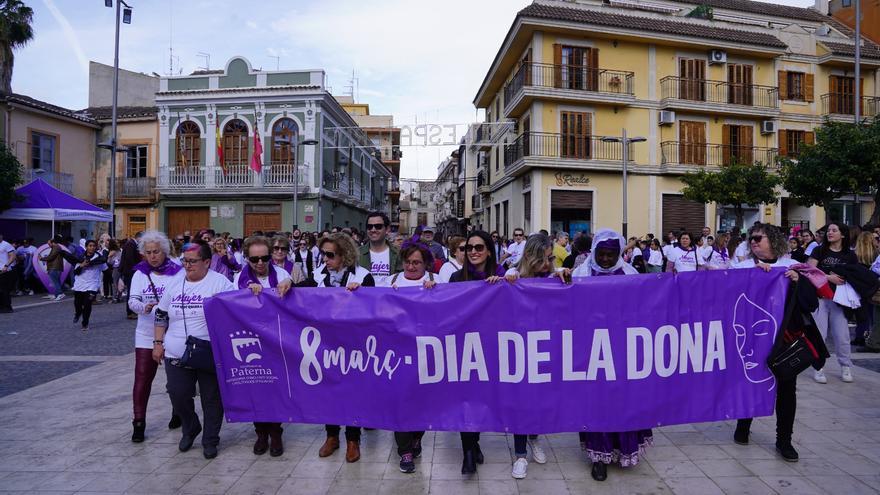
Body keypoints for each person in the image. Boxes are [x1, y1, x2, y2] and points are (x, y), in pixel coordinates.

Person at [732, 223, 816, 462]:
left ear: (774, 240)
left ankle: (784, 440)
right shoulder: (742, 268)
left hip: (784, 340)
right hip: (751, 340)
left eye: (759, 238)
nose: (754, 242)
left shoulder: (792, 267)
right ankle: (743, 425)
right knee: (748, 380)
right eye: (752, 239)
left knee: (787, 389)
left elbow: (811, 304)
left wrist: (797, 282)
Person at [571, 229, 650, 481]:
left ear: (619, 254)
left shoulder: (630, 275)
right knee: (597, 404)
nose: (605, 259)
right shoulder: (581, 274)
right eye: (602, 254)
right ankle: (598, 457)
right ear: (594, 252)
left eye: (611, 255)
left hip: (623, 351)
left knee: (623, 403)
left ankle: (622, 449)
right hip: (592, 352)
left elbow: (646, 307)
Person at [153, 243, 233, 459]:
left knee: (211, 398)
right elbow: (161, 314)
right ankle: (190, 427)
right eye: (184, 261)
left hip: (209, 351)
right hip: (176, 351)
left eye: (192, 261)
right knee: (177, 393)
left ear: (207, 262)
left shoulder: (220, 283)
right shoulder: (174, 283)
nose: (187, 265)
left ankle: (210, 440)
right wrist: (158, 343)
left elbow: (236, 310)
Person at [501, 234, 561, 479]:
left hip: (545, 346)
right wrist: (507, 282)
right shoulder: (513, 276)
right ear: (530, 256)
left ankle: (534, 439)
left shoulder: (551, 277)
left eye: (551, 259)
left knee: (539, 398)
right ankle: (520, 454)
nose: (549, 263)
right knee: (520, 400)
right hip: (518, 348)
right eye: (546, 258)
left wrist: (561, 278)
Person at [449, 230, 507, 475]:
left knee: (482, 398)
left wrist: (502, 286)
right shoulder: (455, 277)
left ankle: (476, 443)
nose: (473, 252)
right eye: (468, 248)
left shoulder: (501, 275)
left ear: (488, 251)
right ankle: (469, 452)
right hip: (463, 348)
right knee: (466, 399)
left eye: (479, 247)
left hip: (491, 347)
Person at [313, 233, 375, 463]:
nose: (326, 259)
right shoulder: (318, 276)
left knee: (352, 392)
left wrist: (360, 294)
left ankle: (352, 439)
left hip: (353, 346)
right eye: (323, 255)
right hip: (326, 345)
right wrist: (288, 282)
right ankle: (331, 436)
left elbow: (373, 309)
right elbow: (301, 292)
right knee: (329, 391)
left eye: (331, 255)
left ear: (345, 255)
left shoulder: (363, 276)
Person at [382, 238, 439, 474]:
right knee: (401, 403)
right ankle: (404, 450)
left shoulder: (437, 282)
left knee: (422, 402)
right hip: (397, 355)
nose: (412, 266)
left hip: (426, 354)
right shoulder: (389, 282)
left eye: (417, 262)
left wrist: (435, 295)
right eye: (408, 262)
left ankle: (417, 437)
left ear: (426, 264)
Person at [233, 236, 294, 457]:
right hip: (252, 341)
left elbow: (294, 300)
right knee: (256, 387)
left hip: (278, 340)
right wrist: (247, 292)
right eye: (254, 259)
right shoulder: (239, 278)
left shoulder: (282, 274)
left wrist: (290, 285)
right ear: (247, 258)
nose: (260, 263)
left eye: (265, 257)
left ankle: (276, 433)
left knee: (276, 387)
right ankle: (260, 432)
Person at [128, 231, 183, 442]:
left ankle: (178, 411)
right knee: (142, 378)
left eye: (156, 252)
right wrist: (145, 307)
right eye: (148, 252)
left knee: (176, 379)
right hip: (145, 332)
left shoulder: (177, 272)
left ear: (165, 251)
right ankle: (139, 422)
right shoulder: (140, 274)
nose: (152, 256)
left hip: (173, 332)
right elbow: (132, 301)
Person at [808, 222, 858, 384]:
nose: (829, 233)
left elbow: (855, 275)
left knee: (842, 336)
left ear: (843, 234)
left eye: (834, 230)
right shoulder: (819, 250)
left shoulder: (850, 255)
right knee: (819, 335)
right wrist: (828, 277)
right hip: (820, 298)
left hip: (840, 300)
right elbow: (808, 271)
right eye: (828, 230)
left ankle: (845, 366)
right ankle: (818, 368)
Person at [71, 240, 107, 331]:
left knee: (87, 304)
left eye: (94, 246)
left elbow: (106, 271)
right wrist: (81, 265)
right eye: (90, 246)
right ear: (86, 247)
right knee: (78, 303)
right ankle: (78, 313)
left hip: (92, 285)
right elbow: (75, 272)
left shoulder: (99, 258)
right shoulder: (80, 257)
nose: (92, 247)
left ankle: (85, 323)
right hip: (80, 284)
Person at [359, 211, 401, 285]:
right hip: (365, 295)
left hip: (389, 295)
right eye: (369, 227)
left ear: (387, 229)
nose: (373, 230)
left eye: (378, 226)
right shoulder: (356, 253)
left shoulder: (398, 253)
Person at [852, 232, 878, 347]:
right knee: (873, 314)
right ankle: (872, 336)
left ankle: (860, 336)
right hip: (873, 287)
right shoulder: (876, 254)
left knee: (861, 313)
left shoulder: (854, 254)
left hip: (859, 286)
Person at [120, 232, 143, 319]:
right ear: (139, 238)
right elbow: (129, 259)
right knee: (131, 291)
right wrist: (136, 269)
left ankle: (132, 311)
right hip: (130, 272)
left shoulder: (132, 244)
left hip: (131, 271)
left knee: (132, 290)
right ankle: (130, 312)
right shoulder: (131, 244)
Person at [41, 234, 66, 300]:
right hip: (55, 267)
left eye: (49, 244)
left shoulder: (56, 247)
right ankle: (57, 294)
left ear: (53, 242)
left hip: (54, 267)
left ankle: (60, 294)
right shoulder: (56, 247)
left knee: (55, 282)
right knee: (56, 282)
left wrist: (42, 258)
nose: (48, 245)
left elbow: (51, 257)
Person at [0, 234, 17, 312]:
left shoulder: (6, 245)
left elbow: (13, 256)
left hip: (4, 270)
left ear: (1, 236)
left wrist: (6, 265)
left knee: (4, 289)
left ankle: (8, 307)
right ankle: (1, 307)